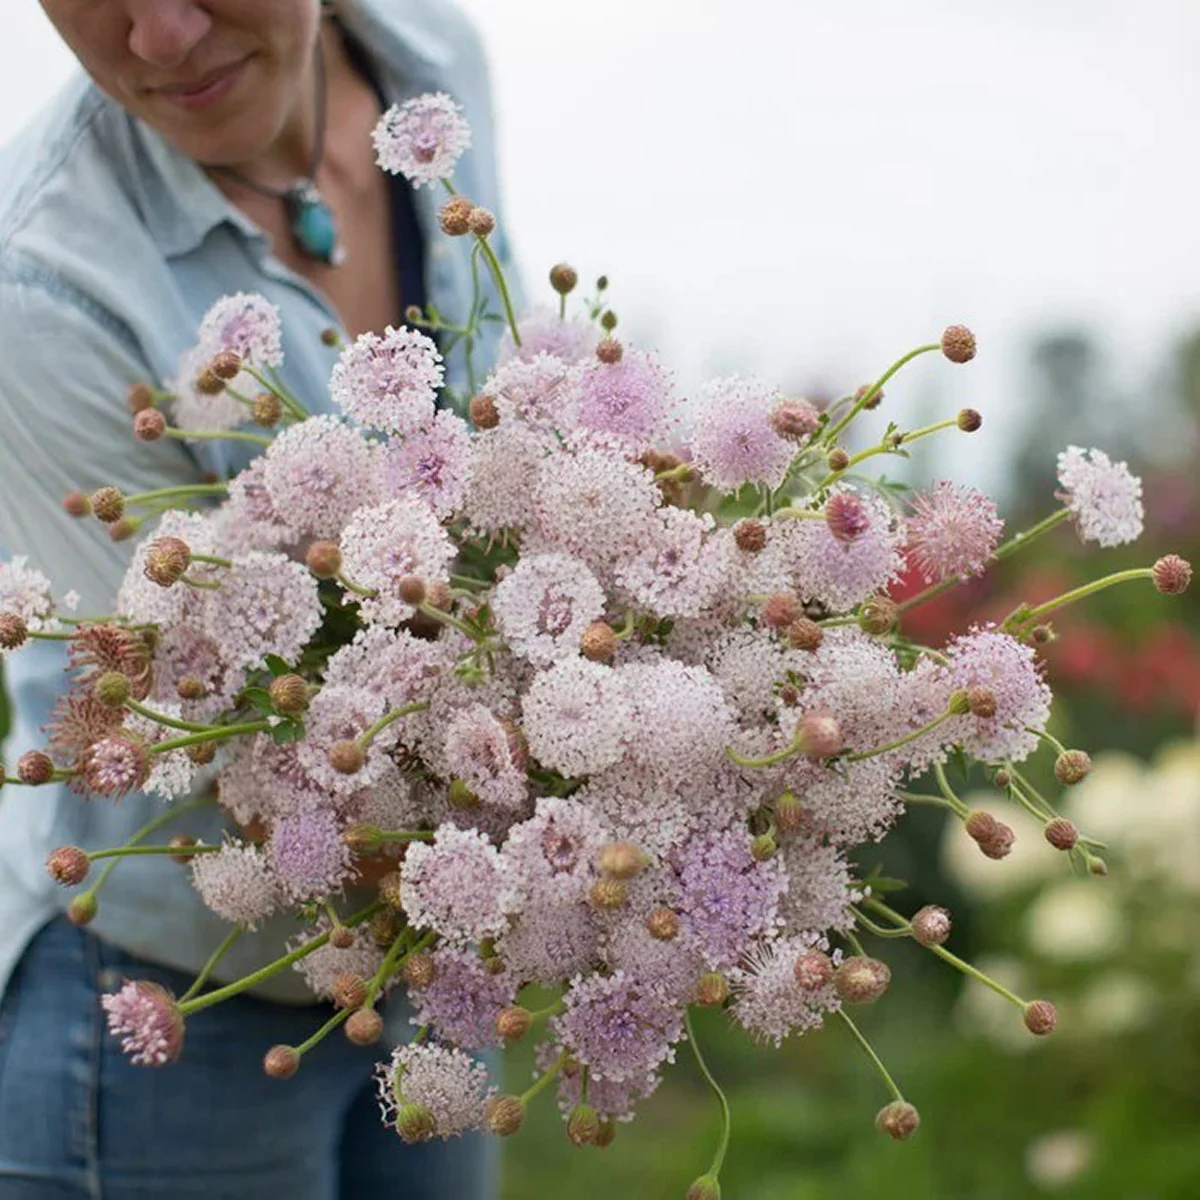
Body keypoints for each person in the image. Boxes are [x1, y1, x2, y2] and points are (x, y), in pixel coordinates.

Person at [0, 2, 520, 1196]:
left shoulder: (433, 67)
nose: (164, 36)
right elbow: (182, 719)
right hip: (176, 1006)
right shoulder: (39, 288)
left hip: (436, 950)